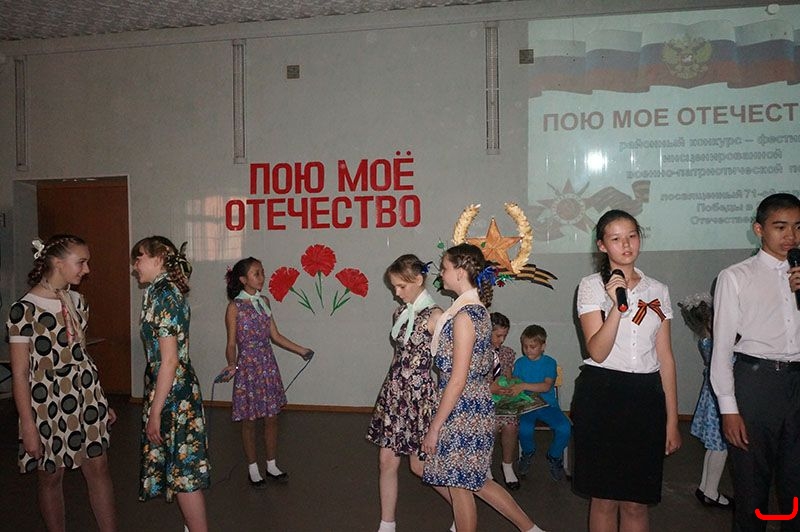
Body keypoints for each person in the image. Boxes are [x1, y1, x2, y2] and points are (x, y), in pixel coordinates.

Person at [421, 243, 547, 532]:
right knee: (477, 481)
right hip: (473, 402)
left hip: (462, 407)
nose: (440, 274)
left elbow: (457, 379)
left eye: (444, 268)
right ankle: (532, 530)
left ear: (460, 272)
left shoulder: (465, 316)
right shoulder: (475, 311)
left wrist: (435, 426)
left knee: (460, 485)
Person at [573, 209, 681, 532]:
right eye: (616, 238)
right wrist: (616, 308)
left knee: (637, 501)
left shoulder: (657, 289)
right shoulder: (591, 286)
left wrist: (672, 420)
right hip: (602, 394)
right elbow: (597, 351)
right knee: (604, 499)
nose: (626, 245)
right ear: (602, 245)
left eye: (632, 236)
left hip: (646, 397)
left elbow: (666, 357)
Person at [6, 235, 117, 532]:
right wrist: (28, 425)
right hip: (47, 402)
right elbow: (20, 373)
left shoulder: (77, 302)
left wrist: (101, 401)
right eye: (81, 262)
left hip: (86, 395)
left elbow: (81, 355)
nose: (87, 269)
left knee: (99, 467)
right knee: (51, 475)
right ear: (57, 263)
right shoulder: (24, 309)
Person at [710, 192, 800, 532]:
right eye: (781, 227)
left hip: (797, 382)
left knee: (795, 486)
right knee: (752, 489)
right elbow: (721, 347)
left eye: (798, 227)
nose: (791, 236)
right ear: (759, 229)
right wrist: (728, 408)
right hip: (756, 383)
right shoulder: (736, 276)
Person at [366, 254, 451, 532]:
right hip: (395, 393)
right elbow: (399, 355)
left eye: (401, 286)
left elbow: (449, 365)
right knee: (386, 461)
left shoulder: (436, 316)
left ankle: (462, 507)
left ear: (418, 279)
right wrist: (389, 390)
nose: (397, 292)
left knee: (419, 466)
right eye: (394, 287)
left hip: (419, 397)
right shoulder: (400, 313)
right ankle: (387, 524)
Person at [131, 236, 210, 532]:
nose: (134, 266)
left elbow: (169, 360)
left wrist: (155, 411)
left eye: (138, 258)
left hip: (174, 393)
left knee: (184, 474)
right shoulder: (158, 291)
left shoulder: (164, 294)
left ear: (159, 258)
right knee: (180, 470)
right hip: (170, 389)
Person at [220, 257, 313, 488]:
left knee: (272, 418)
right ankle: (253, 469)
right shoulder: (234, 307)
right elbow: (231, 343)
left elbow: (275, 336)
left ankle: (271, 465)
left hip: (267, 364)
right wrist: (231, 363)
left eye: (262, 272)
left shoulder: (264, 301)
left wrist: (301, 350)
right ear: (243, 279)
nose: (262, 277)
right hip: (248, 367)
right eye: (256, 273)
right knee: (249, 421)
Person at [677, 293, 732, 509]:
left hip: (712, 395)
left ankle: (706, 488)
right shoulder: (716, 342)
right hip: (719, 397)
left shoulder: (706, 340)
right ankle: (711, 491)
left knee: (714, 446)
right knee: (720, 446)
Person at [512, 324, 571, 482]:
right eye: (525, 346)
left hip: (548, 405)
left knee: (565, 428)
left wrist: (523, 386)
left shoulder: (549, 362)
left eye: (533, 347)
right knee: (524, 429)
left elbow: (546, 386)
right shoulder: (520, 363)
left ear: (543, 346)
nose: (528, 350)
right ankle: (528, 452)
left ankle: (554, 456)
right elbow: (515, 384)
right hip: (526, 406)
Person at [486, 311, 522, 490]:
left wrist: (509, 384)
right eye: (498, 335)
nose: (501, 340)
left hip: (501, 399)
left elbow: (508, 376)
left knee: (511, 425)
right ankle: (486, 465)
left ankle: (507, 465)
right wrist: (490, 387)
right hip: (483, 399)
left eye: (504, 336)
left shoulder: (507, 353)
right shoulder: (476, 352)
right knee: (490, 426)